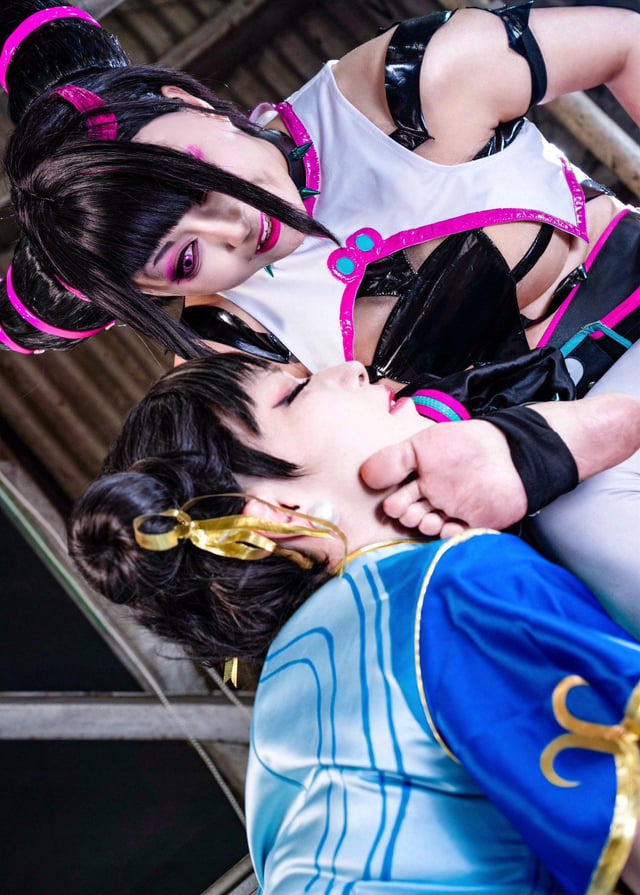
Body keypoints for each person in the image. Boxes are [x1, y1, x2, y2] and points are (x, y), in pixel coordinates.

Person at [2, 3, 640, 598]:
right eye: (186, 259)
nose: (238, 225)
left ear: (189, 103)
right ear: (152, 293)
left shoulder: (406, 88)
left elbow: (626, 44)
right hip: (553, 485)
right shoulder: (231, 359)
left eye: (202, 180)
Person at [68, 353, 640, 895]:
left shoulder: (290, 709)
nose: (349, 369)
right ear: (273, 517)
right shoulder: (451, 590)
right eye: (293, 394)